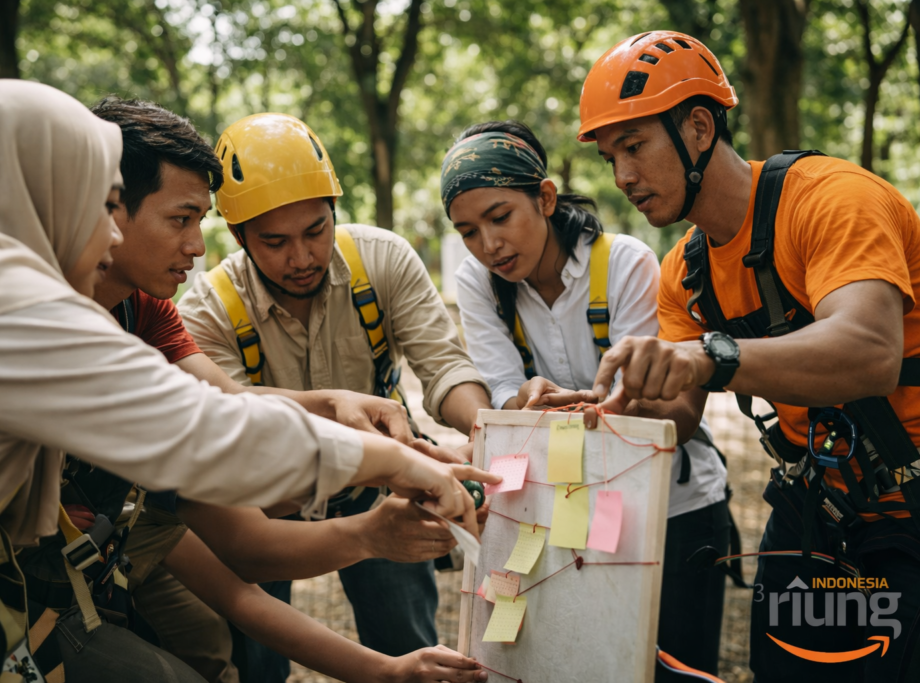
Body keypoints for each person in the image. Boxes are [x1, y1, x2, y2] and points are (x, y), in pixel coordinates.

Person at [0, 80, 490, 683]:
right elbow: (207, 431)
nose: (111, 234)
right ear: (35, 196)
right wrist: (396, 465)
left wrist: (355, 428)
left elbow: (219, 411)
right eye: (98, 206)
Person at [578, 30, 920, 681]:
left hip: (910, 510)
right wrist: (606, 408)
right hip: (818, 512)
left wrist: (710, 355)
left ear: (699, 128)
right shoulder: (685, 273)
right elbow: (680, 415)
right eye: (609, 158)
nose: (622, 177)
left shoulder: (832, 200)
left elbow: (872, 351)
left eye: (634, 146)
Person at [177, 112, 495, 681]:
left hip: (383, 492)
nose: (301, 257)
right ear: (238, 236)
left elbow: (445, 367)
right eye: (275, 242)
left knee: (405, 641)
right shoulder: (207, 311)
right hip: (267, 503)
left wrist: (491, 432)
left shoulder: (383, 260)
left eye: (316, 231)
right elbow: (233, 422)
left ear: (333, 213)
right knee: (255, 662)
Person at [444, 119, 732, 679]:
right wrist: (521, 401)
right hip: (562, 518)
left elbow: (660, 404)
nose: (489, 245)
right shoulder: (477, 282)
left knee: (677, 667)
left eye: (500, 217)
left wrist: (585, 407)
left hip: (673, 509)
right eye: (468, 232)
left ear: (545, 198)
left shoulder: (624, 263)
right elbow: (503, 393)